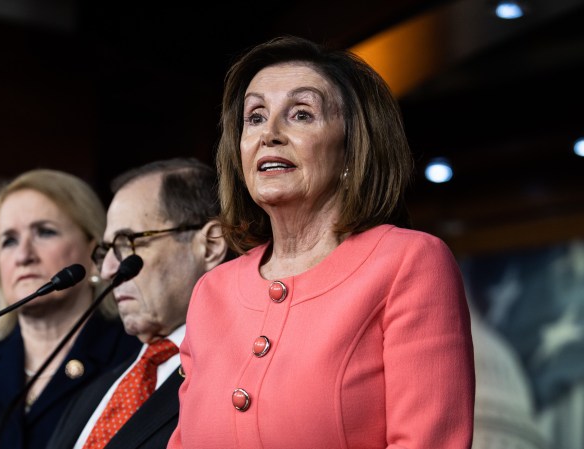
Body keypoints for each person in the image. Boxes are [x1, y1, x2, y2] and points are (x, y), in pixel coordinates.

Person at [167, 35, 476, 448]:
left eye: (301, 114)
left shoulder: (409, 262)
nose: (269, 134)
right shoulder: (211, 292)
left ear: (352, 147)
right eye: (255, 117)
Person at [0, 169, 141, 449]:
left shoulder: (133, 357)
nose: (23, 256)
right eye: (8, 240)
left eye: (45, 232)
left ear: (96, 254)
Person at [46, 157, 231, 449]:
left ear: (210, 246)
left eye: (127, 243)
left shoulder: (239, 384)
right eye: (107, 250)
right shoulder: (94, 390)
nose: (107, 269)